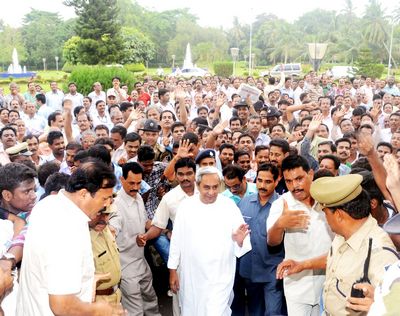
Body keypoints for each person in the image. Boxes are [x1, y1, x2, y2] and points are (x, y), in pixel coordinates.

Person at [277, 174, 399, 315]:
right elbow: (336, 258)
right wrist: (302, 265)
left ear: (339, 215)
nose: (325, 218)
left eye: (326, 213)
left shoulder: (380, 252)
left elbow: (395, 303)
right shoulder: (345, 233)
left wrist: (379, 306)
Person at [16, 160, 124, 315]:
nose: (106, 205)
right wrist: (99, 310)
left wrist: (85, 278)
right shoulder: (67, 228)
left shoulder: (48, 204)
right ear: (84, 194)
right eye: (104, 199)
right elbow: (62, 305)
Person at [168, 166, 251, 316]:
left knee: (217, 311)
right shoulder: (186, 207)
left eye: (215, 187)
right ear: (198, 185)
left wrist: (239, 241)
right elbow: (176, 241)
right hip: (192, 276)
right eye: (207, 187)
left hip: (220, 275)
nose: (211, 192)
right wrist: (173, 270)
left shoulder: (229, 206)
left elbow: (242, 241)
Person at [267, 155, 333, 315]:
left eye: (299, 179)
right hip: (297, 283)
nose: (294, 186)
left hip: (330, 282)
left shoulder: (329, 198)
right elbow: (272, 242)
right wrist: (280, 224)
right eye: (289, 181)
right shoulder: (281, 204)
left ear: (310, 174)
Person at [109, 162, 161, 316]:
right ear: (121, 179)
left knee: (150, 300)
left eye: (139, 183)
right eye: (131, 183)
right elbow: (113, 227)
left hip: (141, 260)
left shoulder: (138, 197)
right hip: (126, 266)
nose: (136, 187)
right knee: (134, 310)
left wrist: (161, 226)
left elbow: (145, 223)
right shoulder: (115, 204)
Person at [235, 163, 285, 316]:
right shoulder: (244, 202)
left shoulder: (283, 206)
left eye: (268, 181)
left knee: (273, 312)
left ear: (277, 181)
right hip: (249, 270)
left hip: (273, 271)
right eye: (259, 180)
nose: (262, 185)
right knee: (255, 311)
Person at [89, 204, 122, 305]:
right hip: (98, 301)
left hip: (116, 296)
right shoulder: (83, 240)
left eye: (106, 214)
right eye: (98, 213)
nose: (103, 218)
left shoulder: (106, 229)